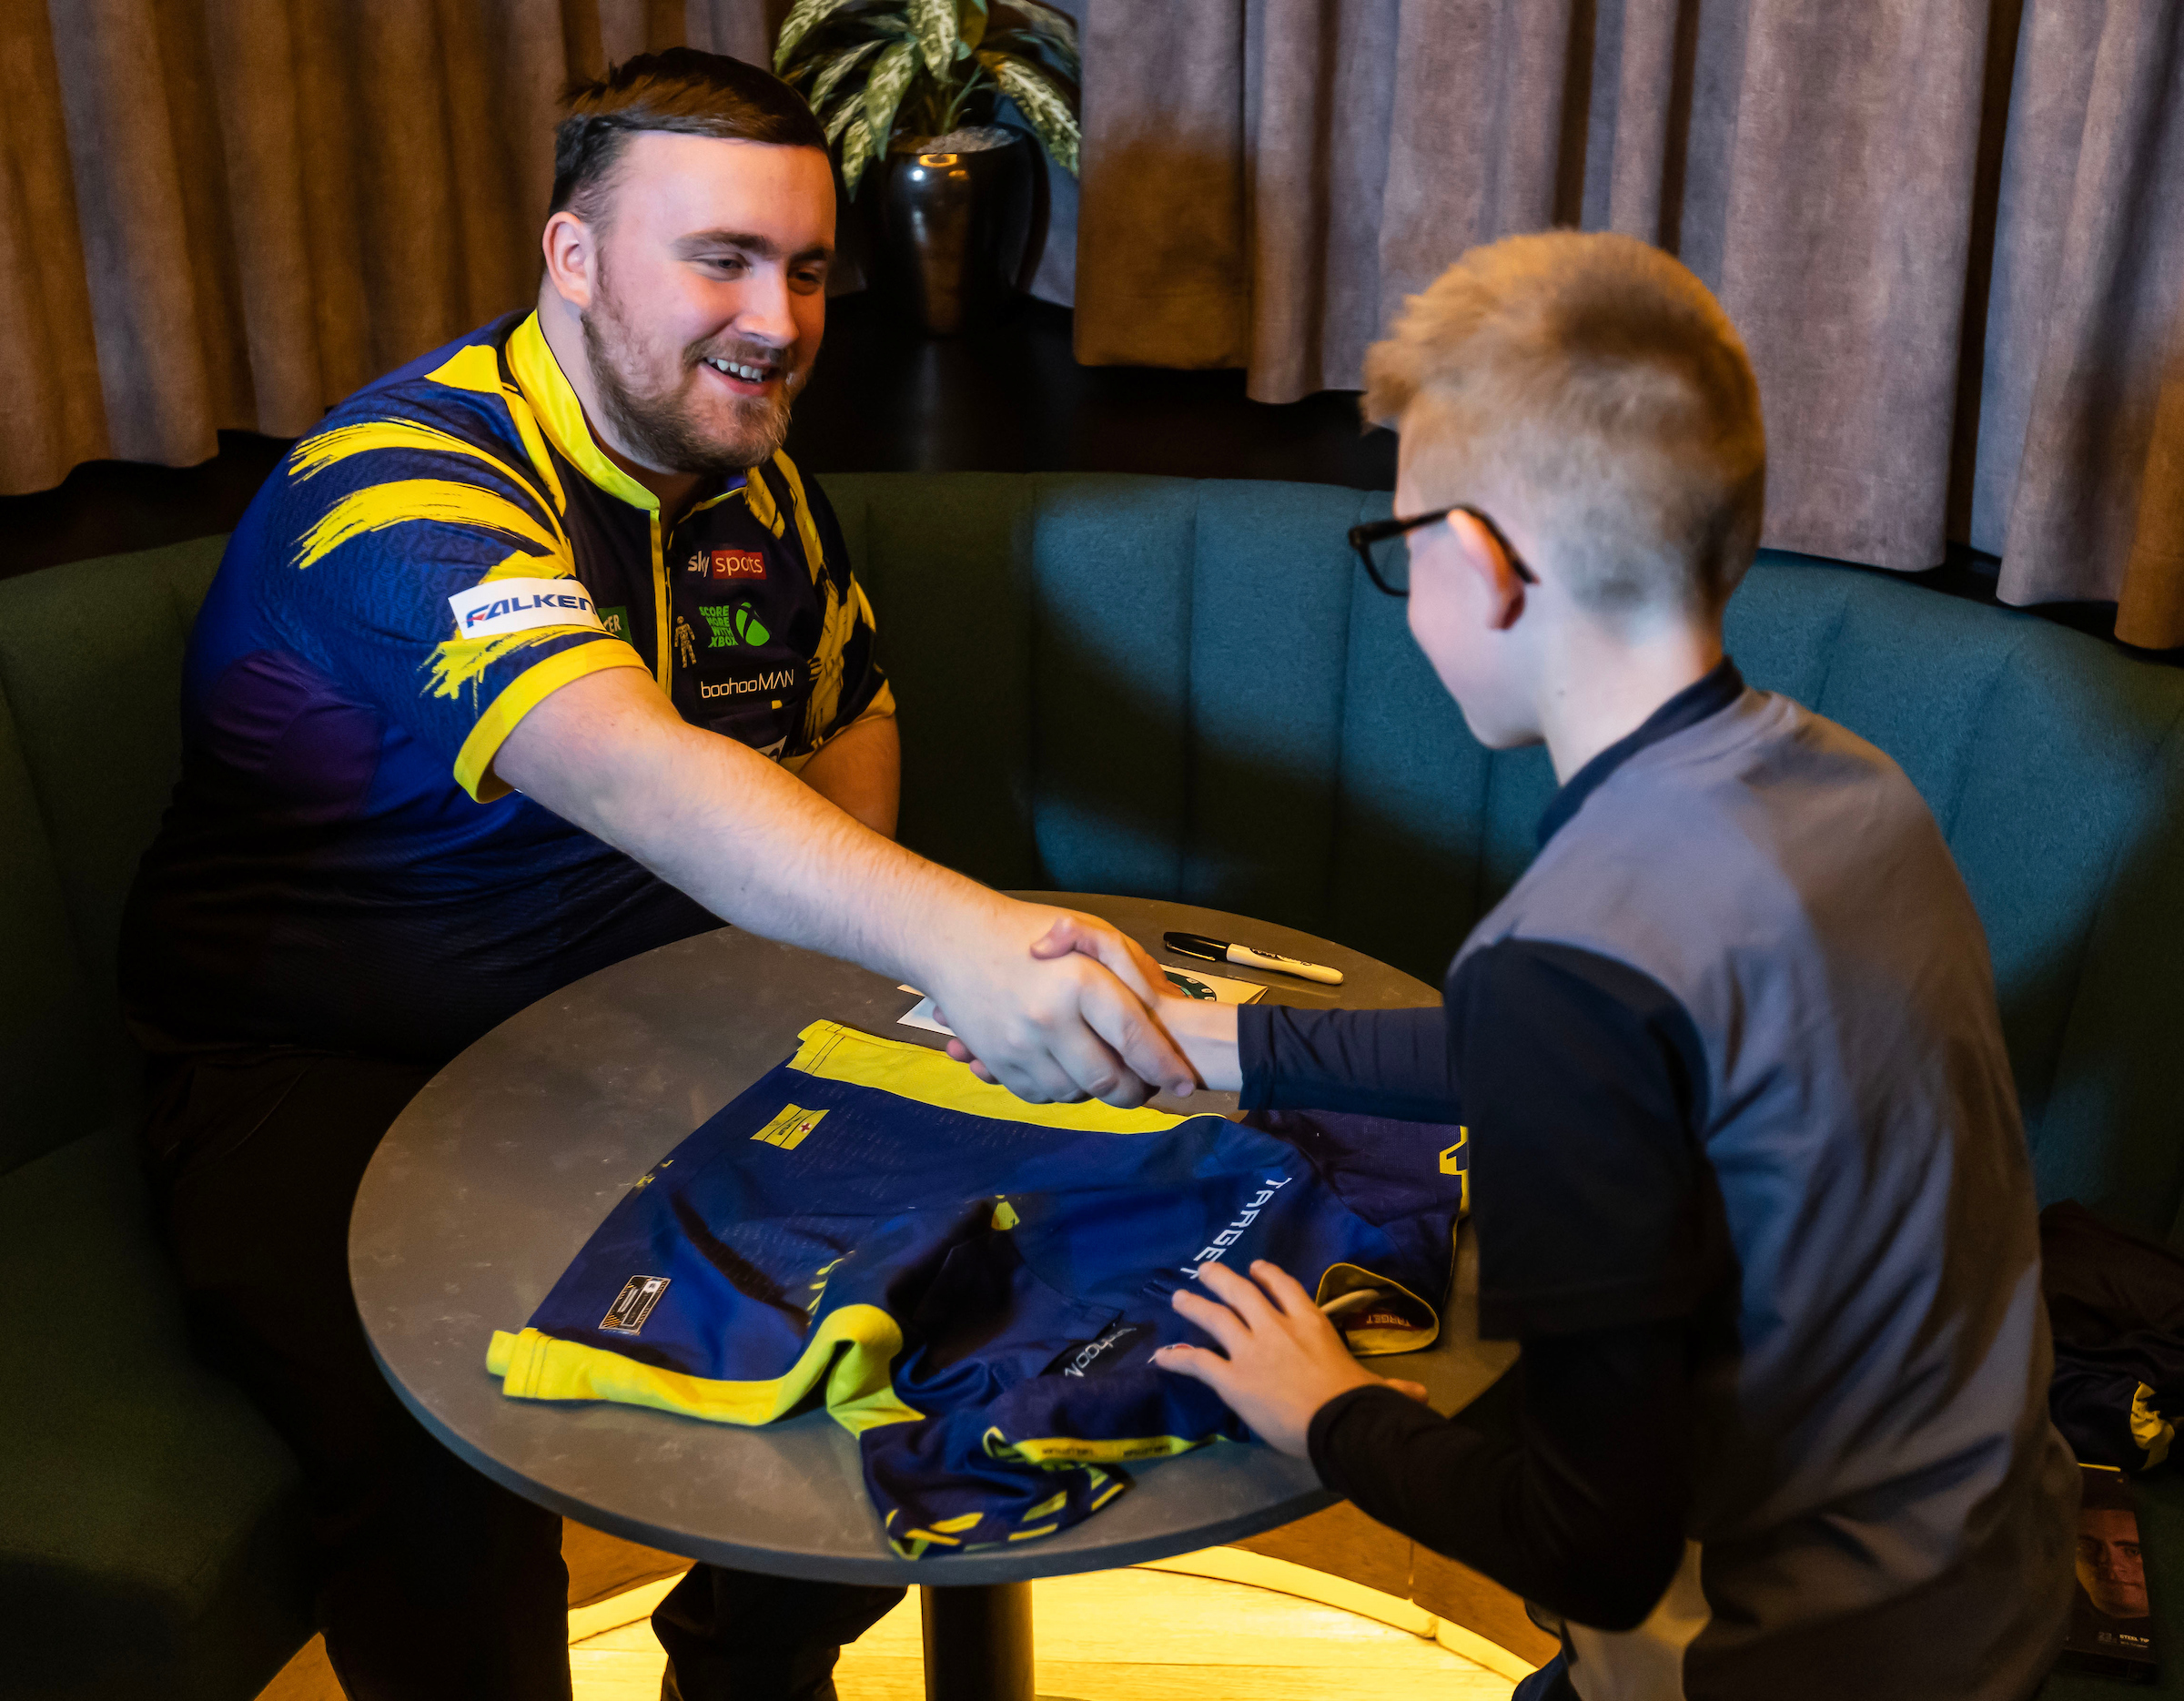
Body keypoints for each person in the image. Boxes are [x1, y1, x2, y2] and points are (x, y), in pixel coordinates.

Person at [117, 48, 1190, 1701]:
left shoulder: (753, 472)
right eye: (723, 259)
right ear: (572, 258)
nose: (780, 317)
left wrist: (854, 1016)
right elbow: (620, 757)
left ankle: (741, 1666)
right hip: (311, 1062)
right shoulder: (398, 482)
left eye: (809, 267)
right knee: (435, 1467)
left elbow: (849, 719)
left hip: (640, 1027)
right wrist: (960, 938)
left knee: (973, 1283)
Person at [1001, 231, 2082, 1698]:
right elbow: (1621, 1047)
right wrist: (1219, 1039)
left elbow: (1591, 1548)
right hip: (1999, 1585)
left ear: (1483, 563)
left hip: (1787, 1659)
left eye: (1400, 544)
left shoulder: (1565, 970)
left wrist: (1323, 1409)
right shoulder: (1852, 788)